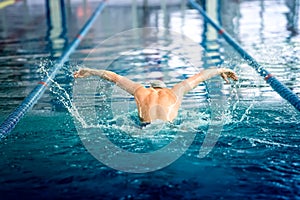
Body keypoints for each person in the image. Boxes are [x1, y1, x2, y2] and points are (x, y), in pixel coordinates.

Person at [74, 67, 238, 124]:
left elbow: (113, 77)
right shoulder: (175, 91)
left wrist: (90, 71)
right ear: (163, 88)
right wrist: (221, 70)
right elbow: (200, 76)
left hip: (146, 128)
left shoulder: (141, 91)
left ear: (150, 87)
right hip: (169, 128)